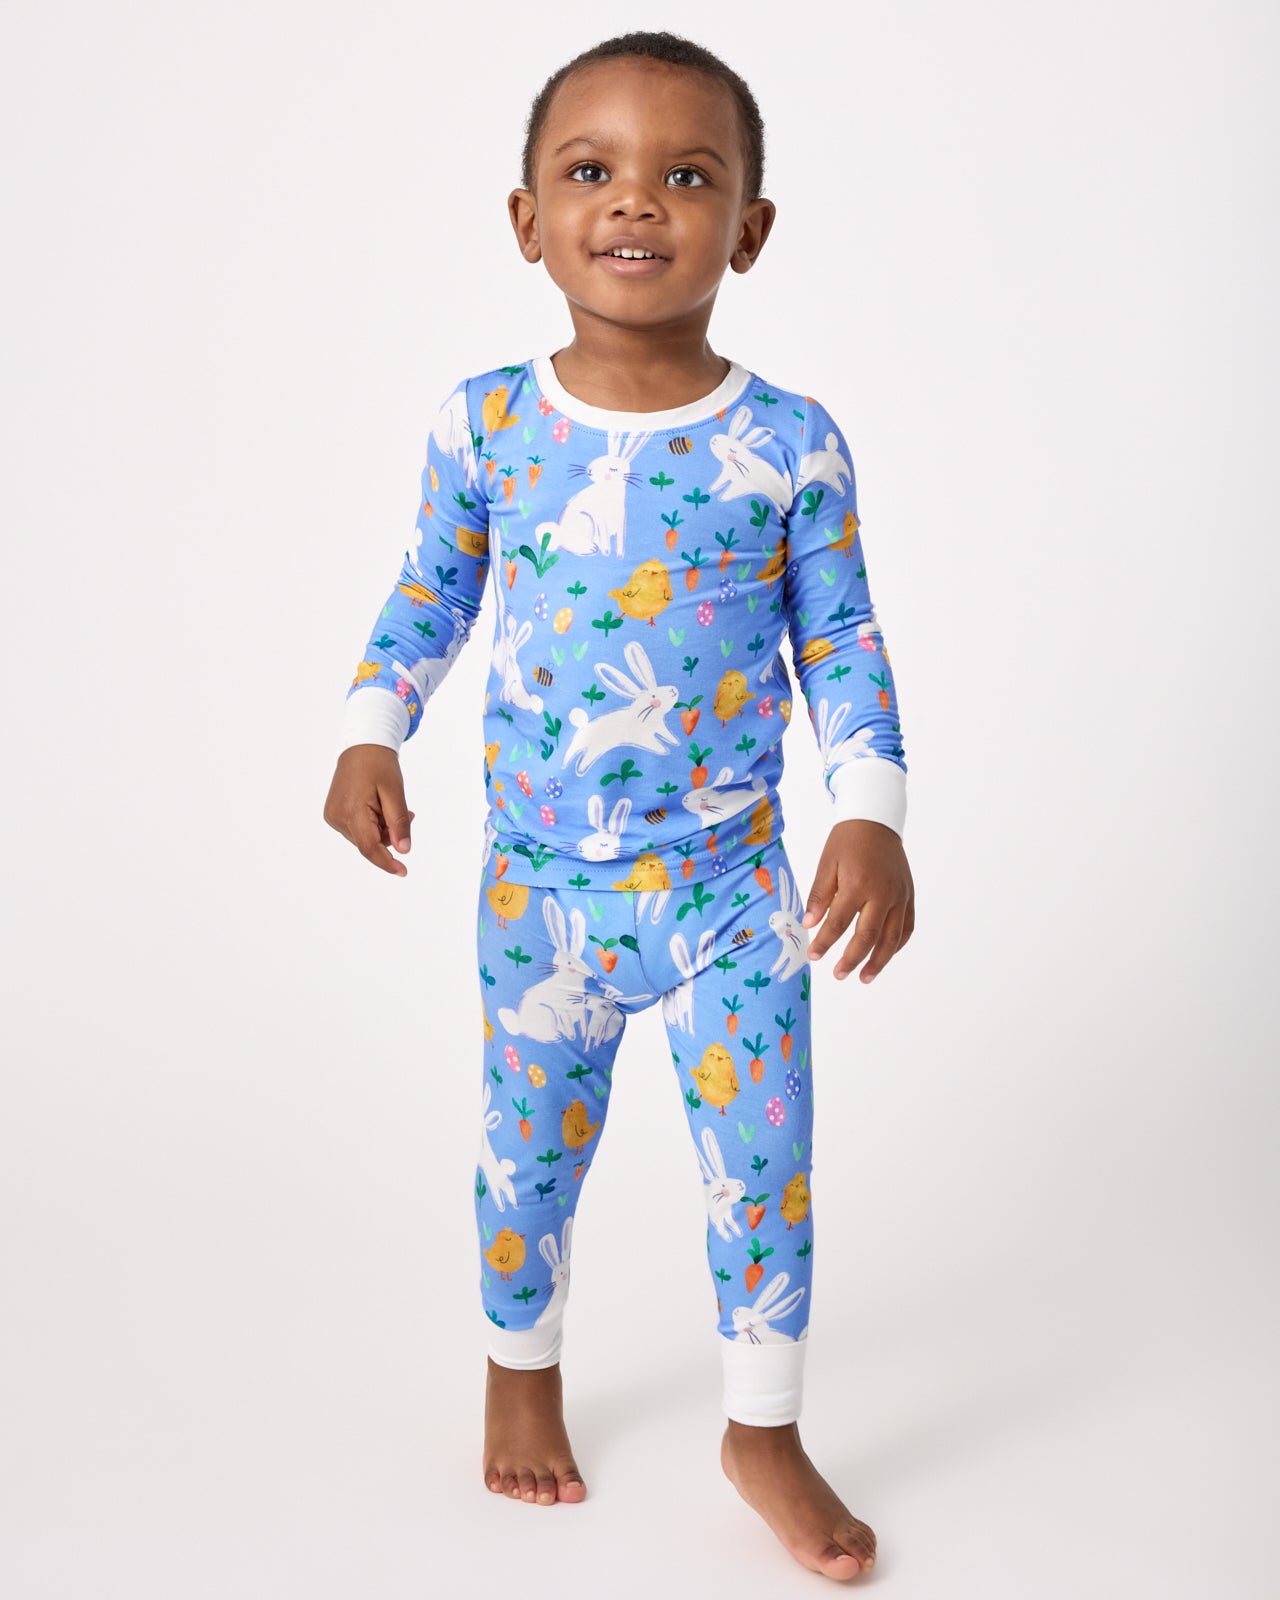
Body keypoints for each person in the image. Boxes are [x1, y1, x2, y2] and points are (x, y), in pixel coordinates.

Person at [323, 29, 915, 1584]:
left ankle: (763, 1428)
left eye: (689, 175)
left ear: (750, 229)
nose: (637, 200)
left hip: (733, 896)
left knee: (765, 1169)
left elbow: (841, 639)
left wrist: (871, 807)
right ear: (529, 219)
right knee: (526, 1156)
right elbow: (430, 592)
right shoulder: (486, 424)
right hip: (544, 898)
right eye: (591, 170)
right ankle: (521, 1373)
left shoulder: (789, 443)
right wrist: (373, 726)